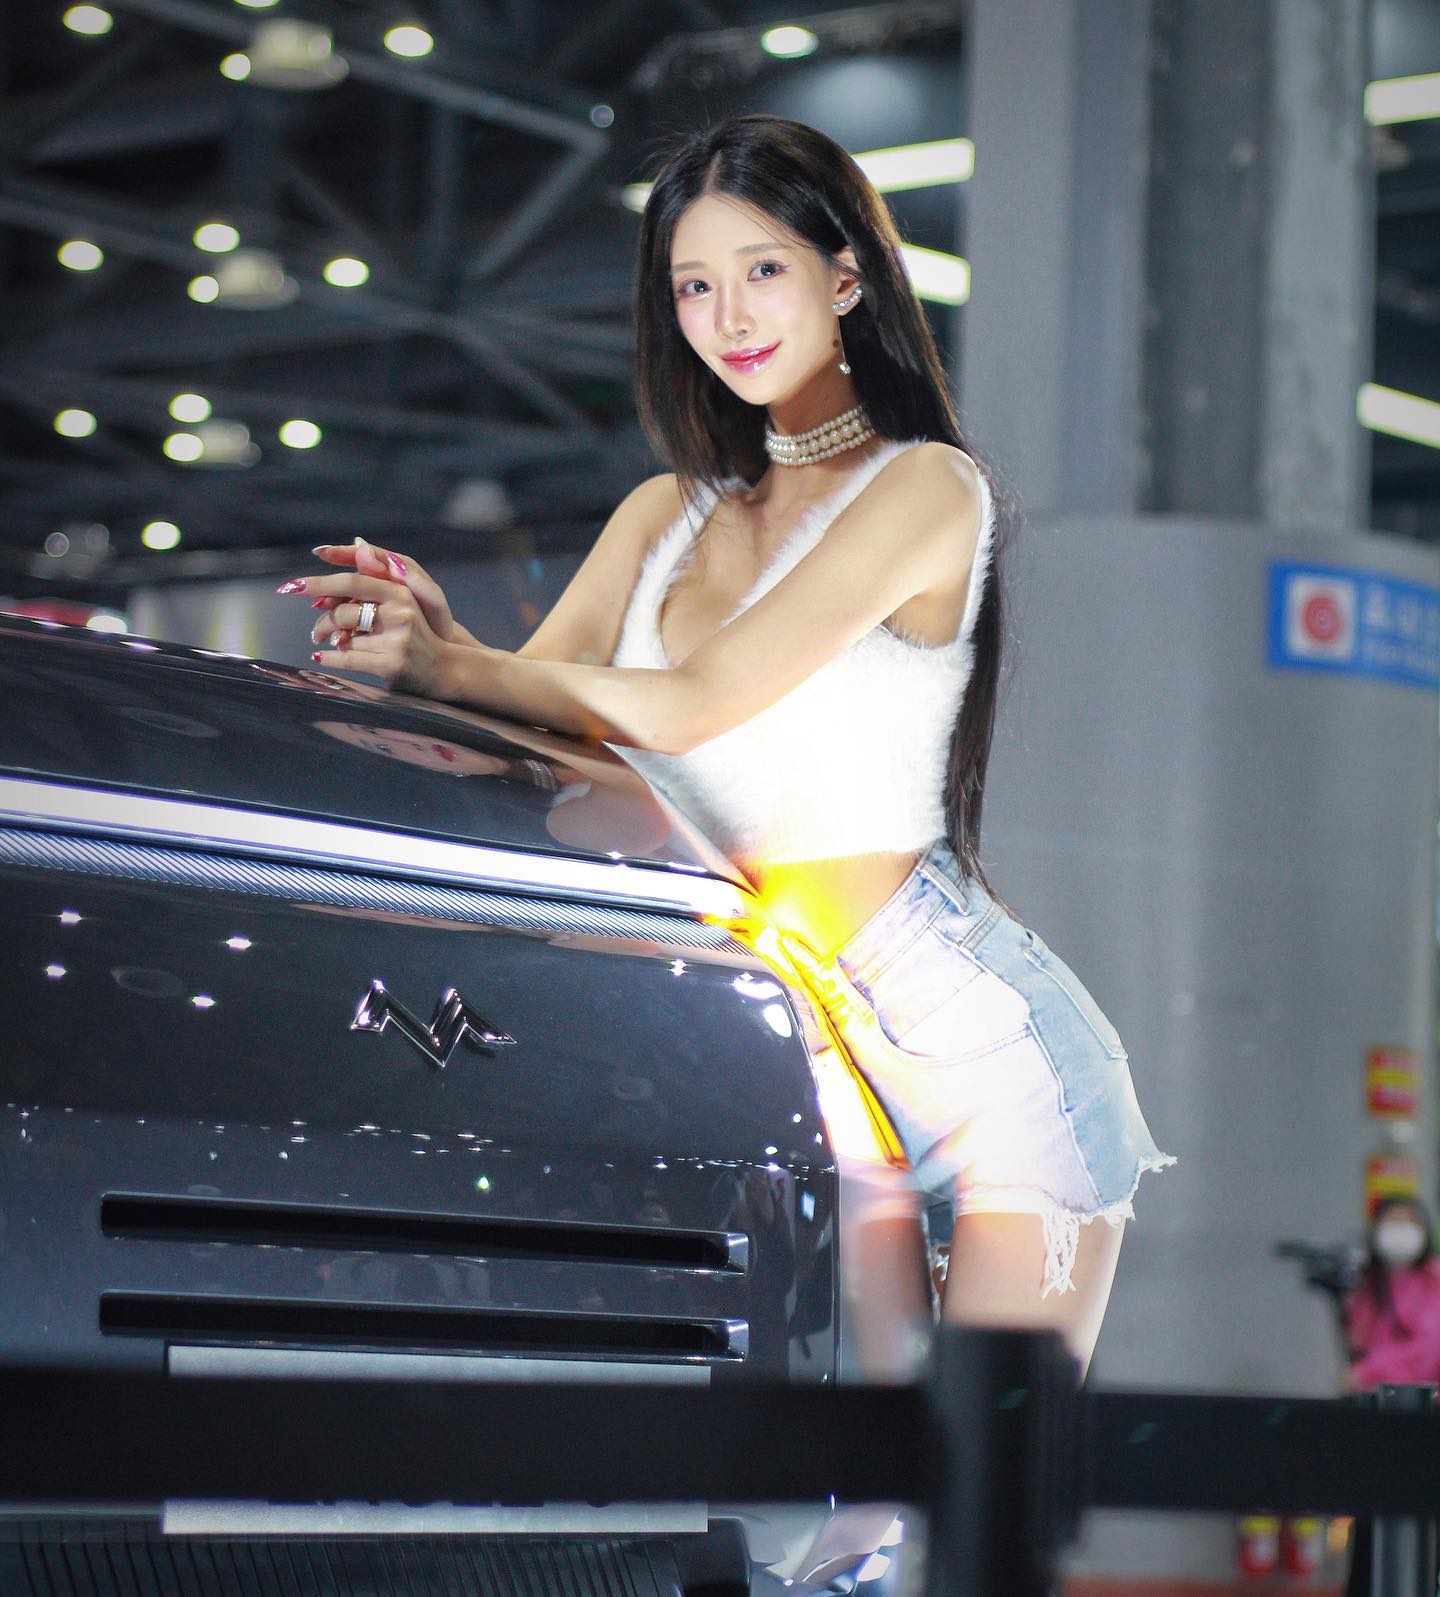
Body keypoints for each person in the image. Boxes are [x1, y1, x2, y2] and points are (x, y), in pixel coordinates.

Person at [277, 112, 1174, 1378]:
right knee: (829, 1476)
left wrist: (456, 664)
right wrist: (434, 638)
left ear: (845, 279)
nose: (728, 315)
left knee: (980, 1476)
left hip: (977, 1055)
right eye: (693, 285)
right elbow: (531, 730)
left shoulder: (927, 487)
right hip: (766, 1033)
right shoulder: (664, 515)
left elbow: (700, 700)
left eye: (763, 269)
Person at [1343, 1196, 1440, 1389]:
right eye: (1394, 1221)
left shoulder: (1433, 1281)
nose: (1401, 1230)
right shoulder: (1368, 1287)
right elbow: (1358, 1343)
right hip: (1375, 1396)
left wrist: (1368, 1373)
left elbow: (1428, 1349)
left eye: (1410, 1222)